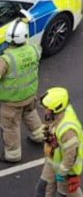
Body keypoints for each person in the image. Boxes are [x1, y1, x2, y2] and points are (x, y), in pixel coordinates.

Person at [17, 88, 83, 197]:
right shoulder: (58, 116)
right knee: (43, 187)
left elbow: (70, 155)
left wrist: (62, 172)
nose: (44, 111)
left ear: (56, 108)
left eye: (47, 109)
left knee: (67, 193)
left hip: (67, 169)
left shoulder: (67, 130)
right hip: (53, 161)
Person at [0, 20, 43, 164]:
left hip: (12, 101)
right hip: (30, 95)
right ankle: (39, 136)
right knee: (30, 113)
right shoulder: (34, 49)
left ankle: (13, 155)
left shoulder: (6, 60)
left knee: (10, 126)